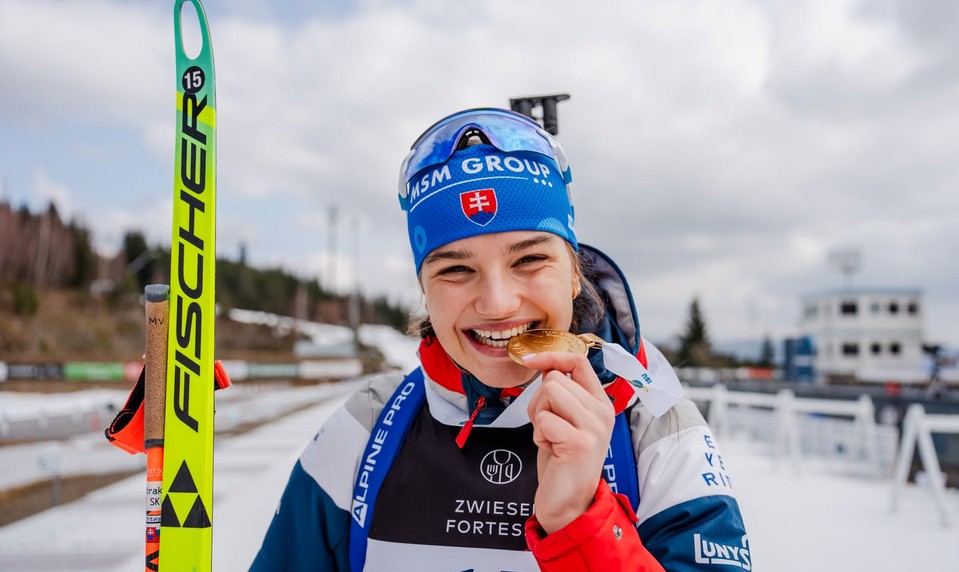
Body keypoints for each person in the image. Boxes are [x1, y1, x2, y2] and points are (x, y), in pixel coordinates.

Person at [250, 108, 749, 571]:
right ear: (425, 289)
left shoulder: (653, 425)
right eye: (457, 269)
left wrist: (580, 521)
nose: (497, 303)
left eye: (529, 260)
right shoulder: (367, 425)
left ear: (574, 274)